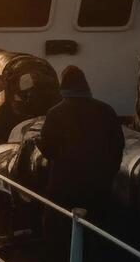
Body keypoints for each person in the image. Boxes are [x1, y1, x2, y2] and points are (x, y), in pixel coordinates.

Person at [37, 66, 125, 214]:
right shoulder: (106, 110)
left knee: (59, 227)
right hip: (98, 186)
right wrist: (109, 174)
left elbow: (48, 150)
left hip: (64, 185)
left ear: (63, 86)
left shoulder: (55, 113)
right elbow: (118, 145)